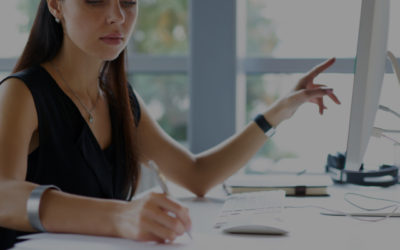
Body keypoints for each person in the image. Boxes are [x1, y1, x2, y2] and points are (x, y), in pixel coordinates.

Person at [0, 0, 341, 248]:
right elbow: (2, 195)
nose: (117, 16)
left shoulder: (120, 100)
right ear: (56, 5)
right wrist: (121, 217)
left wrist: (279, 111)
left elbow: (197, 175)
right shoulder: (21, 93)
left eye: (129, 2)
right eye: (95, 0)